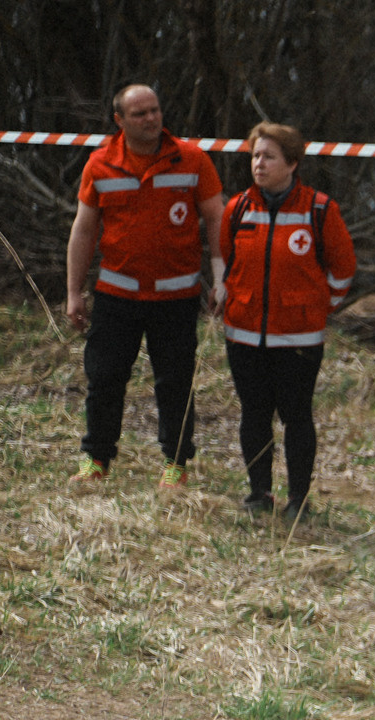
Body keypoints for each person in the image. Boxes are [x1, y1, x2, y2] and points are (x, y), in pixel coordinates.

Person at [66, 84, 223, 487]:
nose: (151, 118)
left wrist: (221, 276)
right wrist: (73, 291)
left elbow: (216, 218)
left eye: (155, 110)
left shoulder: (192, 159)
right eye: (140, 114)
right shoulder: (100, 164)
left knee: (175, 383)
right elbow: (84, 230)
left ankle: (176, 463)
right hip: (116, 296)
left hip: (176, 297)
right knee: (104, 379)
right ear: (119, 120)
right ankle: (96, 459)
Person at [216, 123, 357, 520]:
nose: (259, 164)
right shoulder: (238, 208)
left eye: (269, 157)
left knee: (297, 417)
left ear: (292, 163)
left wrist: (319, 305)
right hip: (244, 335)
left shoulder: (319, 210)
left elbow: (344, 267)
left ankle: (298, 499)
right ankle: (259, 494)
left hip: (298, 338)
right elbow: (227, 259)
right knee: (254, 415)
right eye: (255, 156)